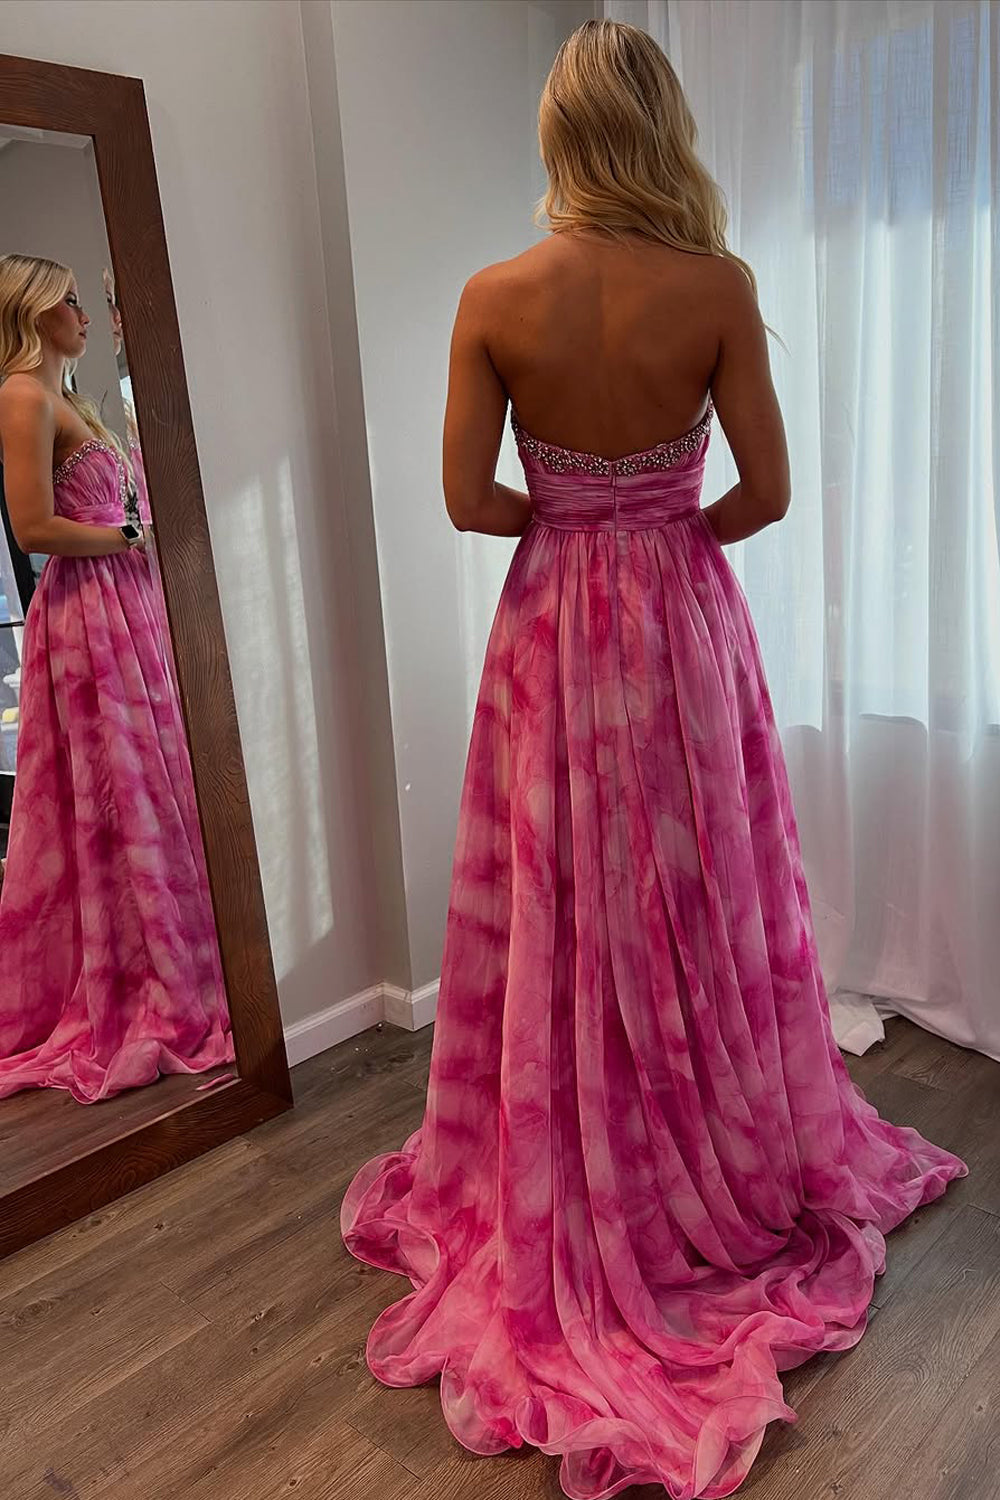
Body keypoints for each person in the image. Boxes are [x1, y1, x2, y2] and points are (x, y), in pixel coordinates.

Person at [339, 21, 966, 1499]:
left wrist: (573, 517)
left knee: (564, 886)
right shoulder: (718, 287)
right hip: (680, 618)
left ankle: (578, 1149)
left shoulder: (495, 296)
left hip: (556, 623)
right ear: (662, 127)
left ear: (560, 133)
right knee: (692, 885)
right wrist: (667, 528)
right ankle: (705, 1141)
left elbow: (465, 499)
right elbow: (769, 488)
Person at [0, 253, 234, 1103]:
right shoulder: (23, 396)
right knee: (115, 789)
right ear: (33, 311)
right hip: (88, 609)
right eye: (70, 301)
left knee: (146, 779)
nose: (83, 315)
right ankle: (134, 971)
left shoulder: (66, 398)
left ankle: (170, 955)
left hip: (121, 602)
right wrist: (128, 539)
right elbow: (33, 526)